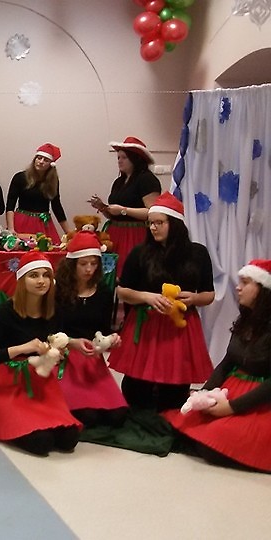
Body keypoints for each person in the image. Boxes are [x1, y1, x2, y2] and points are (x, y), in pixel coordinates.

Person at [0, 252, 90, 456]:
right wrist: (22, 348)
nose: (41, 281)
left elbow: (53, 339)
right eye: (34, 275)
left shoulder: (53, 309)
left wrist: (70, 345)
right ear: (22, 280)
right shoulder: (5, 312)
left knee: (69, 439)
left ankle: (37, 420)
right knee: (42, 443)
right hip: (8, 380)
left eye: (46, 275)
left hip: (38, 380)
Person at [107, 192, 215, 412]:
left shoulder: (198, 253)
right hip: (147, 324)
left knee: (175, 388)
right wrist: (147, 296)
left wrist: (194, 298)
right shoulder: (140, 252)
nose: (153, 228)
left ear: (174, 224)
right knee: (136, 387)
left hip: (180, 327)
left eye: (159, 223)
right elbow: (123, 290)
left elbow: (209, 294)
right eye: (150, 223)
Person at [163, 260, 271, 472]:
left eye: (245, 282)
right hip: (232, 389)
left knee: (214, 443)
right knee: (183, 422)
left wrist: (231, 407)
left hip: (259, 400)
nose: (238, 287)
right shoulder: (246, 319)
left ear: (263, 289)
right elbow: (227, 362)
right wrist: (202, 394)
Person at [54, 231, 128, 427]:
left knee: (118, 416)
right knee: (88, 417)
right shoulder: (58, 291)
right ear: (72, 264)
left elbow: (103, 330)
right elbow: (49, 331)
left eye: (93, 264)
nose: (89, 269)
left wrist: (111, 340)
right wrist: (71, 342)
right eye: (83, 264)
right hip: (65, 357)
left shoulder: (103, 292)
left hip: (92, 360)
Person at [87, 136, 161, 278]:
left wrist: (123, 210)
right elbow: (114, 214)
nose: (119, 161)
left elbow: (152, 212)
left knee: (129, 273)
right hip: (115, 232)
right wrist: (104, 208)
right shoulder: (119, 182)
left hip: (135, 234)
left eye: (124, 158)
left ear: (135, 159)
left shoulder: (147, 179)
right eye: (118, 158)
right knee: (110, 274)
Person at [5, 143, 73, 243]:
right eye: (39, 158)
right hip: (22, 222)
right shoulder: (20, 177)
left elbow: (56, 206)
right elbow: (10, 205)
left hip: (43, 223)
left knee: (45, 248)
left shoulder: (53, 181)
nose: (41, 162)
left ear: (51, 164)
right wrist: (11, 229)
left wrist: (69, 233)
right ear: (34, 159)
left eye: (46, 160)